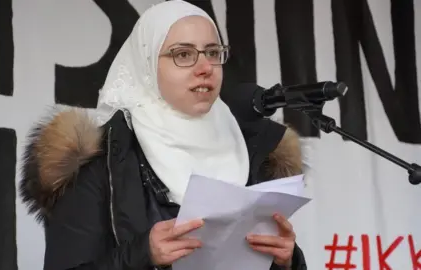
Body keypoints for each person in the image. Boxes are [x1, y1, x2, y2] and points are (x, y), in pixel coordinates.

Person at [19, 1, 306, 269]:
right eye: (183, 54)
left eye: (213, 52)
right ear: (146, 64)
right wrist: (143, 254)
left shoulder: (252, 147)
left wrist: (288, 261)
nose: (205, 68)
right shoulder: (99, 157)